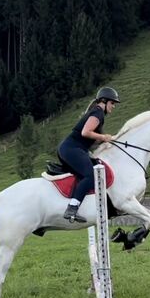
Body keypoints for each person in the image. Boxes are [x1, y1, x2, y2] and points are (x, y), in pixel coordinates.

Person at [58, 87, 120, 223]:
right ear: (104, 101)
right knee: (91, 175)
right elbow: (85, 132)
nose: (113, 106)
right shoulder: (98, 113)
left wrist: (109, 139)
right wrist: (104, 137)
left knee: (93, 170)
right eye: (112, 103)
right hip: (71, 149)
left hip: (72, 148)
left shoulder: (97, 113)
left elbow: (90, 138)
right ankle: (72, 208)